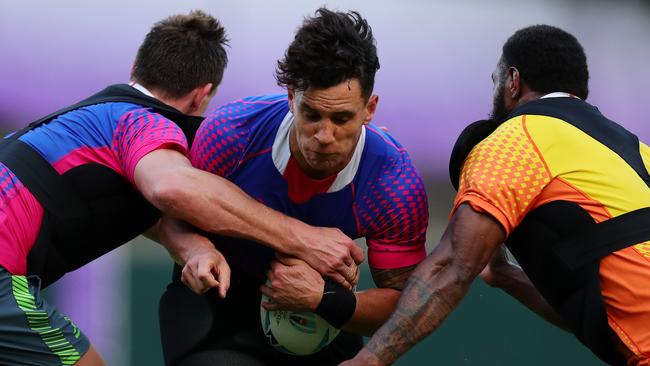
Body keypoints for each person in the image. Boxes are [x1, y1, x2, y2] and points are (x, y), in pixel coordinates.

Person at [0, 10, 363, 366]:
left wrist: (195, 249)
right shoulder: (145, 123)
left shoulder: (81, 121)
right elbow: (172, 188)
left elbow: (147, 209)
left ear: (135, 68)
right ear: (201, 95)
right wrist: (303, 239)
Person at [342, 24, 650, 366]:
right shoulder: (635, 149)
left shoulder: (515, 139)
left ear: (513, 81)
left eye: (495, 80)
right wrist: (507, 277)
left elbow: (449, 266)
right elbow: (601, 316)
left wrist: (368, 359)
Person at [158, 8, 430, 366]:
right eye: (312, 114)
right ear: (291, 96)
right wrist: (193, 251)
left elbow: (407, 304)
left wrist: (324, 299)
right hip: (215, 305)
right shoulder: (231, 135)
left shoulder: (393, 184)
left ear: (370, 108)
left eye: (342, 118)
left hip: (325, 317)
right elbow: (160, 215)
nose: (324, 136)